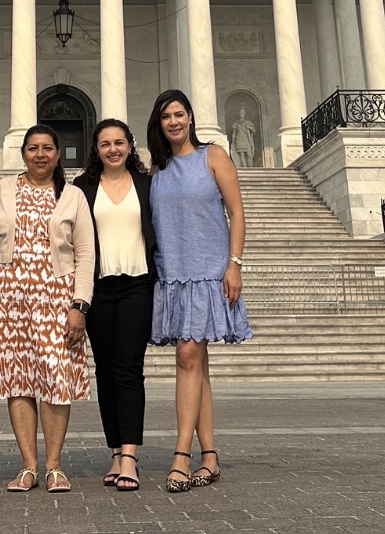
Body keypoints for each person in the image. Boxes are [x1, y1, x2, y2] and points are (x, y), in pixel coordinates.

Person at [0, 124, 94, 494]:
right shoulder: (2, 190)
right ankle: (29, 466)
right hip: (8, 299)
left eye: (48, 148)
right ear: (23, 153)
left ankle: (54, 466)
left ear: (58, 154)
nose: (41, 154)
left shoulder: (72, 196)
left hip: (58, 297)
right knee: (18, 381)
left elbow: (86, 254)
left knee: (57, 381)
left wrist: (80, 305)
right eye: (33, 148)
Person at [147, 88, 252, 493]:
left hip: (209, 271)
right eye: (166, 117)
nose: (173, 122)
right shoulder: (159, 170)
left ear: (191, 117)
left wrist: (235, 264)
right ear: (159, 124)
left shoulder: (214, 156)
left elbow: (237, 210)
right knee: (197, 365)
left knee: (188, 356)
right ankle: (209, 456)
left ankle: (180, 455)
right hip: (174, 273)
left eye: (179, 114)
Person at [73, 119, 156, 492]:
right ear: (96, 148)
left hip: (138, 284)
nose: (113, 149)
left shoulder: (147, 184)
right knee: (104, 371)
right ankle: (114, 452)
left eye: (119, 142)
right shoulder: (83, 187)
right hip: (99, 287)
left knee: (128, 368)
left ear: (130, 145)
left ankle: (130, 455)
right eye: (105, 143)